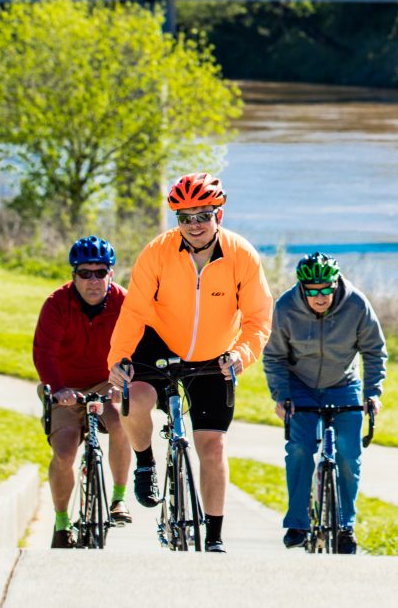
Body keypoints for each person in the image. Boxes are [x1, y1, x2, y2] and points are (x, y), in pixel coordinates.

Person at [108, 173, 274, 554]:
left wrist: (240, 355)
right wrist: (118, 359)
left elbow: (258, 320)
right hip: (159, 343)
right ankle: (145, 461)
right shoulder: (157, 252)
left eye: (203, 215)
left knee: (212, 446)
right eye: (185, 218)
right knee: (134, 399)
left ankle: (214, 536)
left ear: (219, 214)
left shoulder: (242, 255)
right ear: (176, 221)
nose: (195, 225)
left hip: (216, 356)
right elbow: (134, 312)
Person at [261, 251, 387, 554]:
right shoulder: (286, 307)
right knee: (300, 448)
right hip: (299, 386)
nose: (320, 296)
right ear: (303, 289)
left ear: (335, 284)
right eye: (313, 291)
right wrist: (282, 396)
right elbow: (274, 356)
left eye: (326, 288)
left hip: (343, 384)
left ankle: (346, 526)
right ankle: (298, 522)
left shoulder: (356, 305)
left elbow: (374, 351)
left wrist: (373, 393)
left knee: (347, 454)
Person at [33, 235, 133, 548]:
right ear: (73, 275)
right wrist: (58, 388)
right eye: (84, 273)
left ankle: (118, 498)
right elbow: (43, 351)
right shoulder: (56, 304)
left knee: (119, 422)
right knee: (64, 453)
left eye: (100, 273)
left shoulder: (124, 303)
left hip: (107, 380)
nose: (93, 281)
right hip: (66, 385)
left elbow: (137, 347)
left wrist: (123, 383)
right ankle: (62, 524)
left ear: (111, 274)